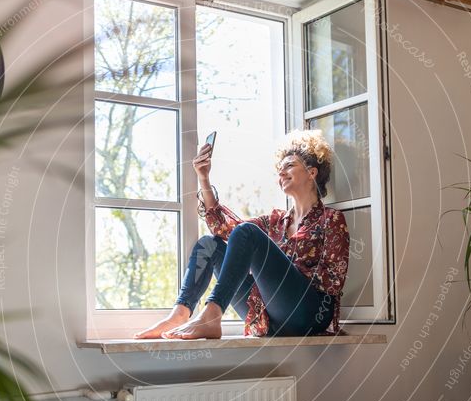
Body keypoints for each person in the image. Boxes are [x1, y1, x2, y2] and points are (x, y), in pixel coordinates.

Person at [134, 129, 349, 340]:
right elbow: (225, 230)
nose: (281, 173)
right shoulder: (274, 222)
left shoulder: (331, 220)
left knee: (247, 232)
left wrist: (276, 272)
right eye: (279, 169)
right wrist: (204, 179)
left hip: (308, 314)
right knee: (210, 244)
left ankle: (212, 314)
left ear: (312, 172)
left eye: (289, 166)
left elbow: (333, 282)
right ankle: (179, 314)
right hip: (271, 317)